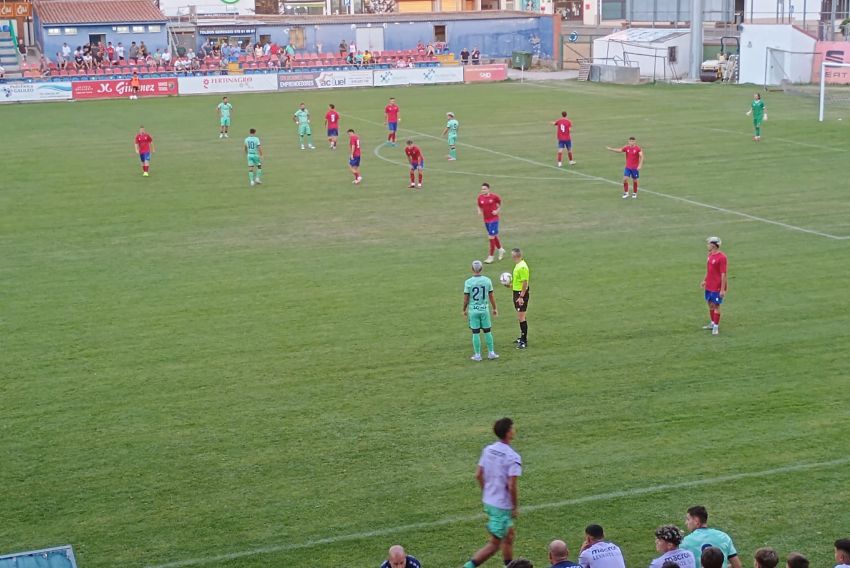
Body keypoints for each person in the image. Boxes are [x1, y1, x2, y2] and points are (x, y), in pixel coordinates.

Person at [462, 417, 521, 568]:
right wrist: (514, 506)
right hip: (502, 506)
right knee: (494, 544)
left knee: (509, 536)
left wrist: (487, 492)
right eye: (512, 428)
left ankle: (509, 566)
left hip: (489, 501)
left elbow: (478, 474)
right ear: (508, 433)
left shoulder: (488, 450)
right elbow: (512, 485)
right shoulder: (513, 457)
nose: (514, 430)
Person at [463, 260, 499, 361]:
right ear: (482, 268)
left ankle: (477, 355)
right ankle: (491, 353)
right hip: (484, 310)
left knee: (475, 332)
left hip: (473, 311)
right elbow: (491, 296)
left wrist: (464, 309)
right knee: (487, 331)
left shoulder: (468, 282)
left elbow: (466, 298)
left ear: (472, 269)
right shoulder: (487, 281)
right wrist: (494, 308)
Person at [699, 237, 727, 335]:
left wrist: (722, 289)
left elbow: (723, 274)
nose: (707, 245)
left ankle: (716, 327)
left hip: (717, 286)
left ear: (714, 245)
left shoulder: (722, 257)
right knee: (710, 304)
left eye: (709, 244)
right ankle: (712, 323)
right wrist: (705, 280)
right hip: (709, 285)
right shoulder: (710, 255)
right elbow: (709, 270)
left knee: (716, 305)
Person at [477, 183, 505, 263]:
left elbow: (500, 203)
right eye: (482, 189)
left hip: (494, 220)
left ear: (488, 189)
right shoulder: (480, 198)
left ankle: (491, 257)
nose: (483, 190)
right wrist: (479, 211)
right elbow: (479, 205)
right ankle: (501, 249)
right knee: (493, 235)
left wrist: (497, 211)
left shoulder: (494, 197)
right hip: (486, 220)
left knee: (491, 237)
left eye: (484, 189)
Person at [509, 248, 530, 349]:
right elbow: (519, 282)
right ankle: (522, 337)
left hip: (520, 294)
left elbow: (525, 283)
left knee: (521, 317)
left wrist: (521, 296)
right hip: (517, 292)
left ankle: (523, 340)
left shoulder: (522, 267)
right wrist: (510, 285)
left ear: (515, 256)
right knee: (521, 316)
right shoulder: (518, 265)